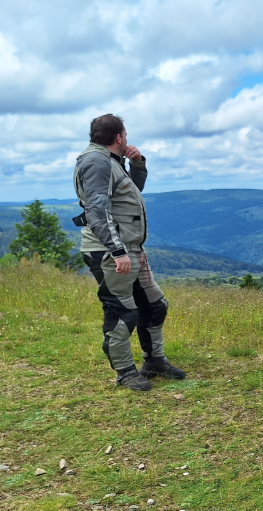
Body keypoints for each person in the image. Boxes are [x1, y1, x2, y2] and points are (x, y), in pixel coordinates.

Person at [73, 114, 185, 391]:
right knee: (122, 312)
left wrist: (137, 164)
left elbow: (129, 194)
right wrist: (117, 251)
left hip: (130, 249)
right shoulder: (96, 162)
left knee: (154, 305)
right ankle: (125, 372)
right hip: (112, 251)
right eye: (126, 135)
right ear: (120, 137)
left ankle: (154, 362)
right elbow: (97, 211)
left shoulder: (110, 162)